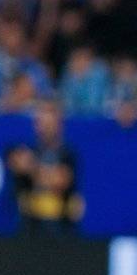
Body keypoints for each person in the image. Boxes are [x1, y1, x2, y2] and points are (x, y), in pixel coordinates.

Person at [6, 100, 84, 234]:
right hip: (30, 228)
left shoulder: (68, 154)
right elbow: (15, 165)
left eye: (50, 123)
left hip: (61, 228)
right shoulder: (28, 150)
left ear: (59, 125)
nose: (46, 127)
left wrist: (32, 168)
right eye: (42, 122)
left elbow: (61, 181)